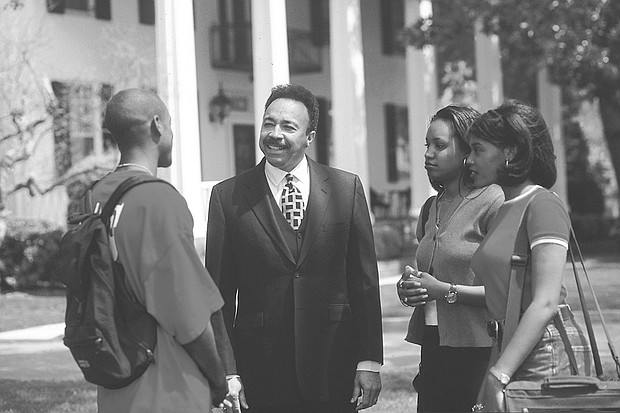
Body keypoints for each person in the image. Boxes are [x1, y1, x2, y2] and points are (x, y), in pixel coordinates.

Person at [206, 83, 383, 413]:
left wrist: (369, 360)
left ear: (310, 136)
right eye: (269, 123)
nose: (275, 133)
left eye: (288, 126)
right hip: (260, 373)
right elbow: (217, 295)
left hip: (334, 366)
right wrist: (228, 371)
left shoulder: (346, 189)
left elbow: (364, 283)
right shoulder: (226, 197)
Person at [94, 88, 234, 412]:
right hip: (167, 388)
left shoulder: (93, 199)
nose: (171, 132)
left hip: (115, 383)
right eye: (170, 125)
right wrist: (218, 379)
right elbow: (188, 314)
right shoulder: (159, 200)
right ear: (157, 125)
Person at [466, 100, 593, 412]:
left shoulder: (543, 205)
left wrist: (500, 374)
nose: (468, 159)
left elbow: (546, 301)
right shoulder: (506, 208)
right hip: (510, 343)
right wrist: (495, 370)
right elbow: (504, 306)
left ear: (509, 152)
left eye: (478, 150)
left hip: (546, 351)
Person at [396, 105, 504, 412]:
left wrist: (443, 290)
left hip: (479, 351)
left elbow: (507, 292)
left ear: (468, 151)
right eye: (427, 145)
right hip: (433, 347)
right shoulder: (432, 207)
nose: (428, 153)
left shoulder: (494, 201)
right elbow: (428, 280)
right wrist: (409, 290)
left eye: (440, 146)